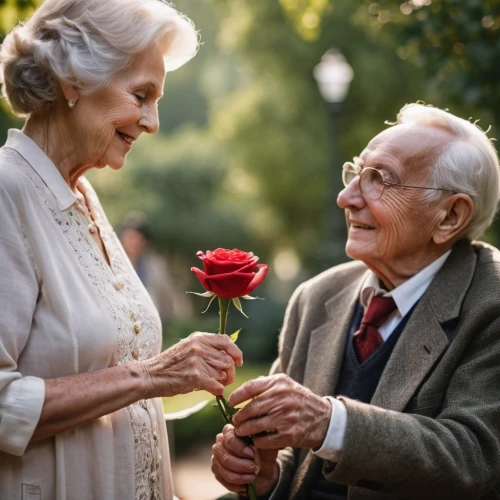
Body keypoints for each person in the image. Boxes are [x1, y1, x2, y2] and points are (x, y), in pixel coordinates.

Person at [0, 1, 243, 499]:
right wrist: (152, 375)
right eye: (141, 95)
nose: (152, 122)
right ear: (72, 80)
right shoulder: (7, 191)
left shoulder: (82, 196)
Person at [211, 103, 500, 499]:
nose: (346, 197)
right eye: (356, 173)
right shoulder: (317, 297)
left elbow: (476, 458)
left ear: (450, 217)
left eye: (380, 179)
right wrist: (265, 477)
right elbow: (287, 459)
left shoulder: (492, 301)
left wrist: (330, 423)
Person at [119, 214, 179, 321]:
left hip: (149, 319)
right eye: (129, 237)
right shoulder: (115, 264)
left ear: (144, 241)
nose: (132, 241)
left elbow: (166, 297)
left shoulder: (155, 266)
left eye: (137, 237)